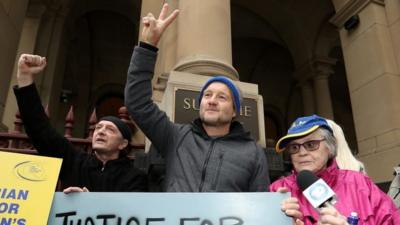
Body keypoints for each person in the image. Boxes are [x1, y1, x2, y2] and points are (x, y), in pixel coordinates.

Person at [124, 3, 270, 192]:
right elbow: (137, 103)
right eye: (207, 95)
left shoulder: (253, 153)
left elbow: (257, 205)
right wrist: (147, 46)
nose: (212, 100)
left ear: (235, 110)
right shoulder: (176, 137)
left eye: (222, 97)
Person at [13, 53, 148, 192]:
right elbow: (40, 130)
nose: (101, 131)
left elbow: (131, 212)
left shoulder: (135, 178)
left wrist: (89, 202)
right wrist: (25, 78)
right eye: (98, 128)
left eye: (110, 130)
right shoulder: (74, 161)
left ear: (123, 144)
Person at [270, 115, 400, 225]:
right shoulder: (277, 191)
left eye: (310, 145)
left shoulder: (359, 183)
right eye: (294, 147)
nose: (302, 152)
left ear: (330, 147)